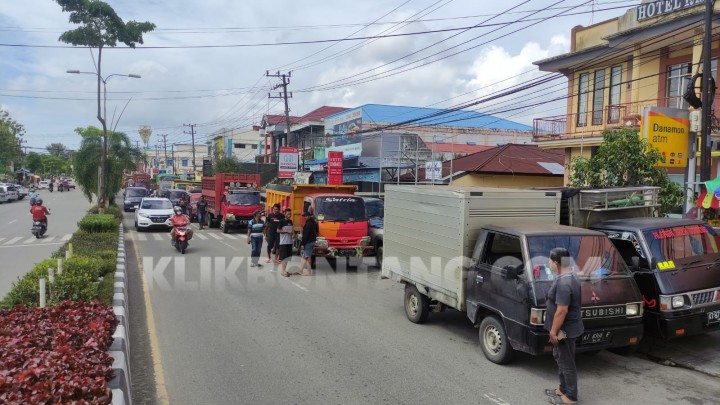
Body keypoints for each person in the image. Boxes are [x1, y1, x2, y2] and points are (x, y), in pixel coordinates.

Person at [544, 247, 583, 405]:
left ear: (556, 263)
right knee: (560, 357)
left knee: (567, 362)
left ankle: (571, 397)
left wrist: (553, 331)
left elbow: (562, 311)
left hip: (564, 330)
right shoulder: (569, 275)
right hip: (566, 328)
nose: (548, 263)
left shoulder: (564, 282)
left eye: (550, 260)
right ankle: (563, 388)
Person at [297, 211, 318, 276]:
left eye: (305, 216)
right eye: (304, 216)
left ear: (309, 216)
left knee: (308, 257)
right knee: (305, 256)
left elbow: (305, 235)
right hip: (312, 241)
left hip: (308, 242)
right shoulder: (313, 223)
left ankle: (309, 272)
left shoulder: (308, 224)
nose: (304, 217)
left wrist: (303, 244)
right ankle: (301, 270)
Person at [277, 209, 294, 277]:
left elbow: (292, 230)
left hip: (289, 242)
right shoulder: (282, 221)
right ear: (285, 214)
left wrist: (293, 235)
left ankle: (285, 270)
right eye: (288, 214)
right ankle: (283, 271)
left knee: (287, 257)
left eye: (290, 214)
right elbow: (278, 230)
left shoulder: (290, 221)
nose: (289, 215)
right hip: (283, 242)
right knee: (283, 258)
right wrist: (287, 232)